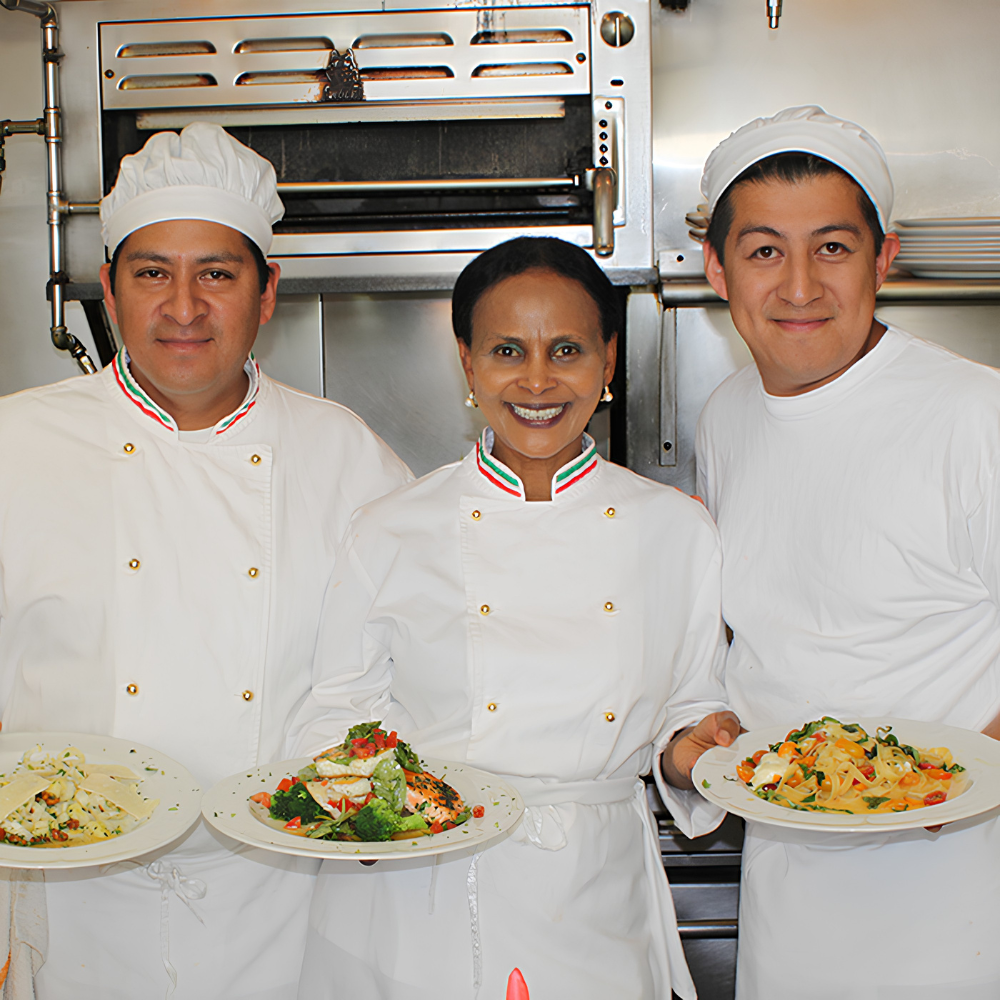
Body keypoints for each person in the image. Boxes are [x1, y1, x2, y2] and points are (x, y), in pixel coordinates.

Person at [0, 122, 410, 999]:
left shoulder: (349, 460)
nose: (183, 308)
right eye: (153, 274)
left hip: (290, 901)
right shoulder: (16, 443)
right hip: (70, 903)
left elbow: (416, 662)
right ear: (109, 291)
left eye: (216, 275)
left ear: (267, 296)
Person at [287, 236, 740, 1000]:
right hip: (422, 896)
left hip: (595, 893)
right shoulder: (391, 526)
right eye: (506, 349)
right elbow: (336, 717)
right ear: (467, 363)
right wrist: (374, 816)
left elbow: (689, 707)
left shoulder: (676, 528)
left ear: (608, 359)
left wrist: (694, 748)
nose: (537, 379)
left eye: (566, 348)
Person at [696, 105, 1000, 999]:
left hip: (959, 885)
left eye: (831, 247)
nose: (799, 287)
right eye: (763, 252)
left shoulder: (972, 414)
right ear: (718, 268)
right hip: (791, 878)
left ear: (884, 258)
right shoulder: (727, 417)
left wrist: (962, 781)